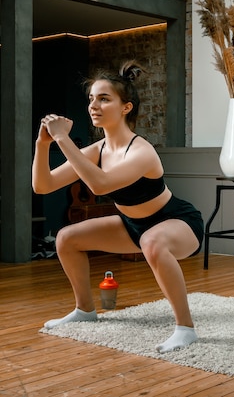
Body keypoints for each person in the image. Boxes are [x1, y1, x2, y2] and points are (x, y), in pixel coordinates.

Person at [32, 61, 204, 353]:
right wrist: (43, 143)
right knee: (66, 238)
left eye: (104, 98)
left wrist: (62, 137)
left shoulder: (141, 151)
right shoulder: (98, 150)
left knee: (152, 241)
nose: (93, 106)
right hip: (131, 226)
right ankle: (84, 311)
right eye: (91, 99)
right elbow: (43, 185)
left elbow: (100, 185)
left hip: (177, 221)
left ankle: (185, 328)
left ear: (126, 107)